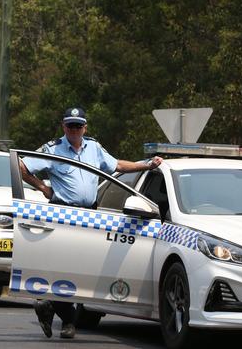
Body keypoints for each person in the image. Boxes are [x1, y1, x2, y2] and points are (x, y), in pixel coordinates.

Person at [19, 107, 162, 339]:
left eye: (78, 126)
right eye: (70, 126)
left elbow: (117, 166)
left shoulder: (94, 148)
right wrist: (43, 187)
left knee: (82, 271)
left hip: (90, 216)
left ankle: (50, 306)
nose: (74, 130)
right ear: (63, 126)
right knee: (63, 268)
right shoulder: (53, 149)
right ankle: (66, 320)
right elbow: (22, 166)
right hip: (64, 215)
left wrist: (146, 164)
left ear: (85, 127)